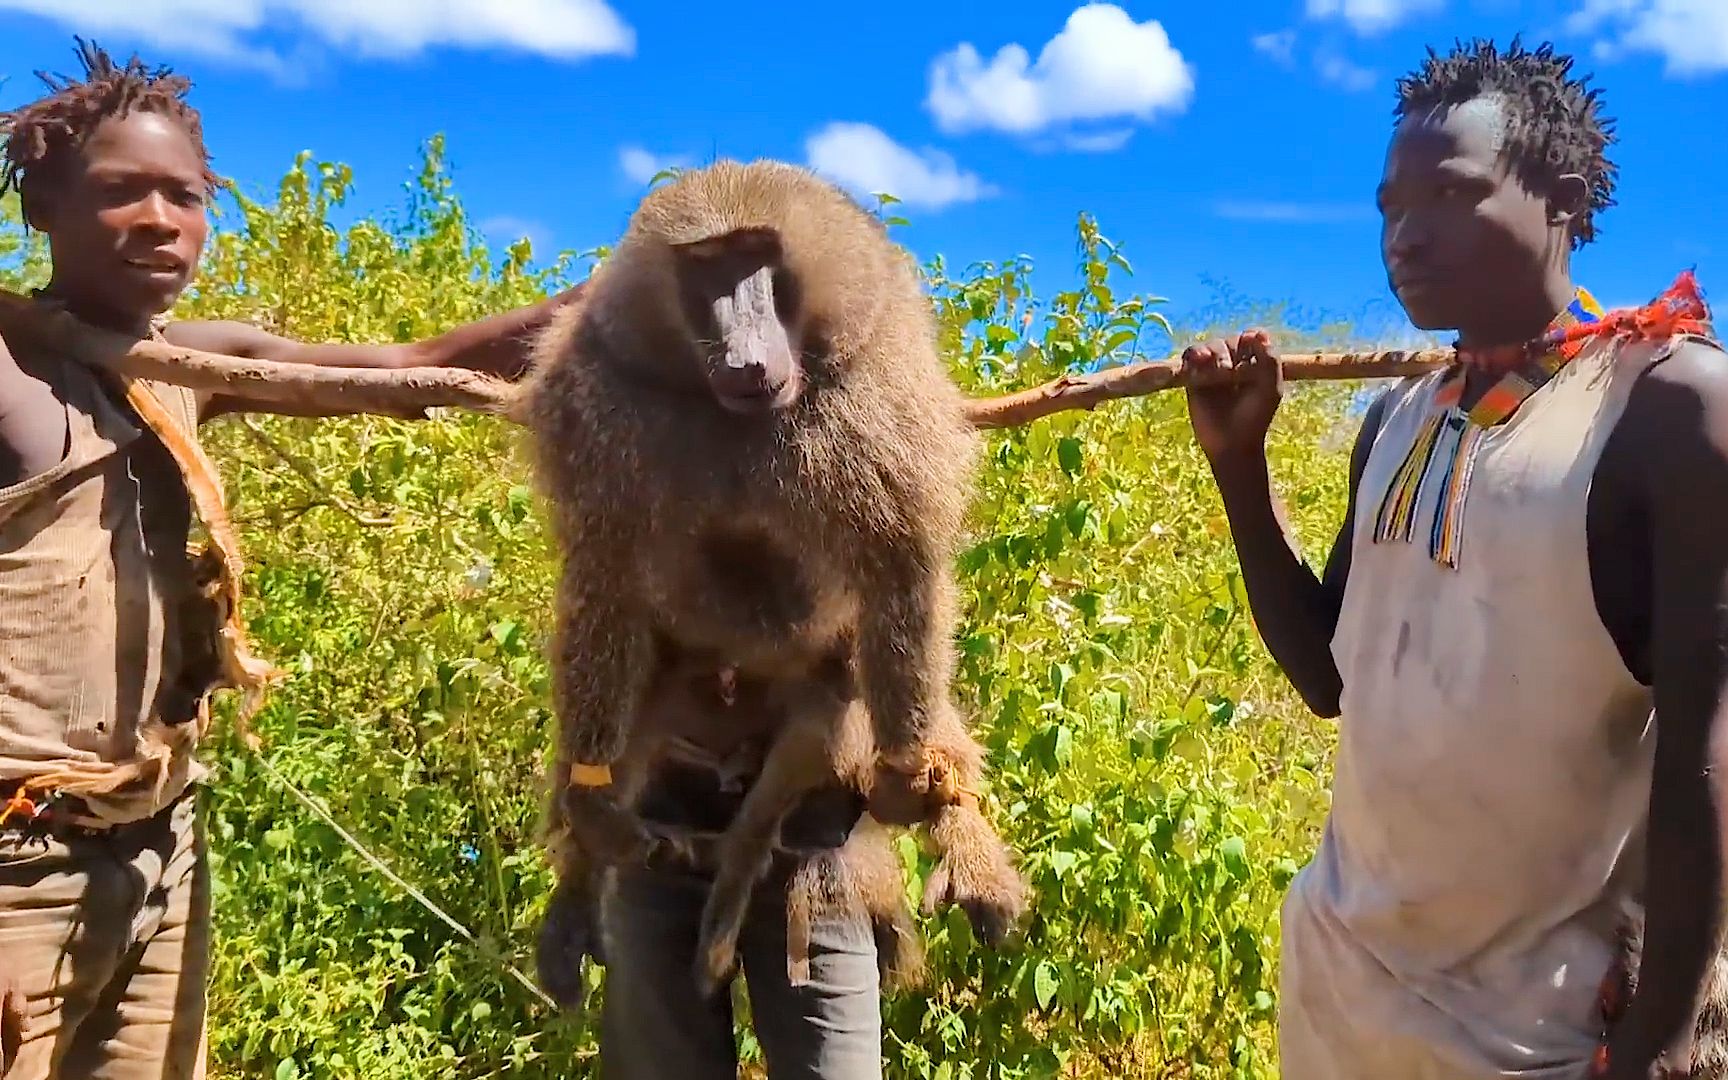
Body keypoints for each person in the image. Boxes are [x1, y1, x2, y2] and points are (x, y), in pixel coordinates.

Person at [0, 40, 582, 1079]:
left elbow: (417, 369)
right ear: (40, 202)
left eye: (183, 195)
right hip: (18, 863)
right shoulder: (6, 365)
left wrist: (613, 309)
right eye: (118, 192)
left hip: (158, 840)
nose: (158, 221)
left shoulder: (178, 363)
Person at [1179, 37, 1726, 1080]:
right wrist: (1239, 471)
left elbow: (1709, 754)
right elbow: (1327, 679)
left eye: (1449, 195)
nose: (1404, 236)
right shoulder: (1397, 417)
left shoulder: (1668, 412)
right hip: (1338, 990)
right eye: (1389, 206)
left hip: (1536, 1037)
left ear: (1560, 200)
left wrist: (1656, 1041)